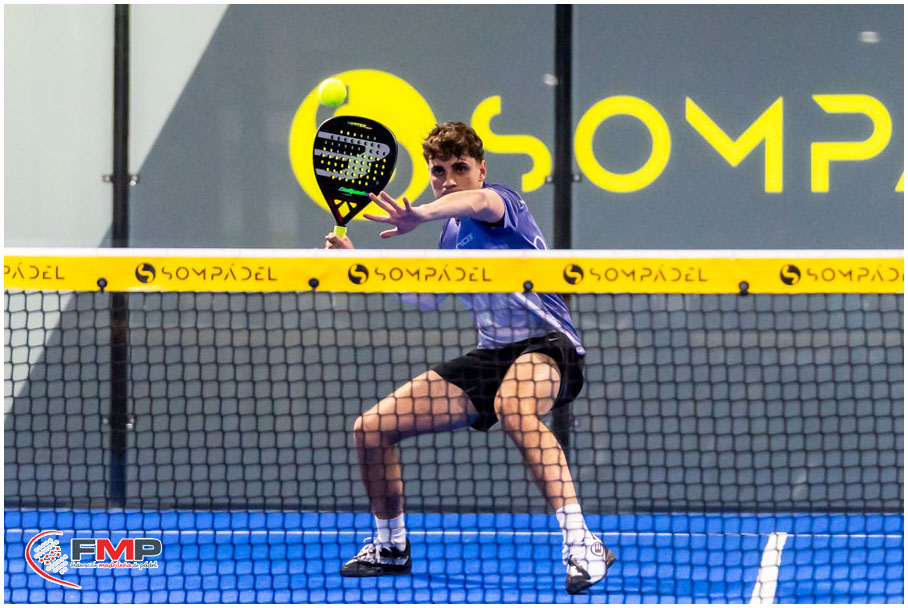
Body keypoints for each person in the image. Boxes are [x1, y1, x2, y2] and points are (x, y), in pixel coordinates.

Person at [325, 122, 616, 594]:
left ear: (481, 169)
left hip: (548, 347)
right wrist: (356, 265)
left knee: (513, 408)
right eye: (438, 171)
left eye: (459, 168)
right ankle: (390, 546)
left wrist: (419, 214)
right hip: (490, 356)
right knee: (371, 429)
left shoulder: (502, 204)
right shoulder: (450, 236)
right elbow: (426, 299)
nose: (449, 179)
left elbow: (476, 202)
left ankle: (583, 544)